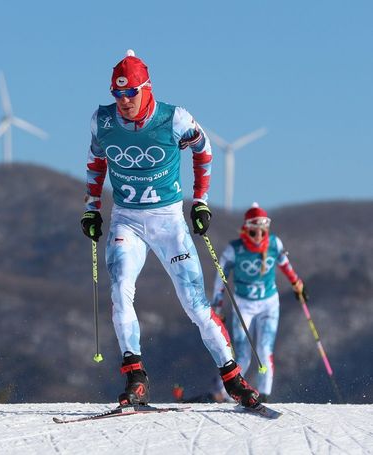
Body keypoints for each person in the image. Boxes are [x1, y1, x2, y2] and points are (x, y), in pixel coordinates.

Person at [80, 49, 259, 408]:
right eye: (117, 94)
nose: (124, 101)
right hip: (127, 220)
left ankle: (233, 379)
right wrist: (92, 208)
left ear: (146, 88)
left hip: (168, 220)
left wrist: (201, 200)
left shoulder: (174, 118)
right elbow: (96, 162)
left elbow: (204, 151)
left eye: (131, 92)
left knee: (194, 304)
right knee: (120, 291)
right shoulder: (102, 121)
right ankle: (135, 376)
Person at [211, 202, 307, 403]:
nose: (259, 236)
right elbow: (220, 279)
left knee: (264, 350)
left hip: (268, 304)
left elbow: (285, 265)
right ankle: (225, 394)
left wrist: (297, 284)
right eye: (255, 232)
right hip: (243, 304)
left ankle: (264, 395)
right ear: (247, 229)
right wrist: (217, 307)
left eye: (263, 231)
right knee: (243, 356)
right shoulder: (234, 249)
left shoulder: (274, 244)